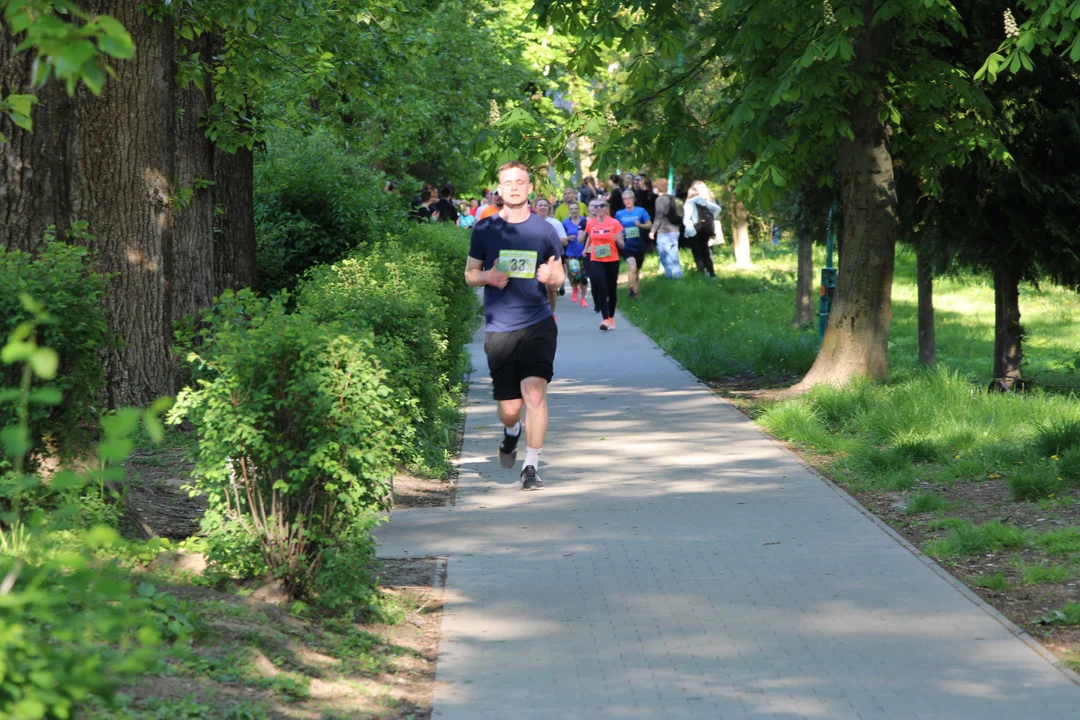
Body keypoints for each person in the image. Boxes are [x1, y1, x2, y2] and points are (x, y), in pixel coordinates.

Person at [465, 161, 564, 490]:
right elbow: (469, 274)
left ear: (530, 187)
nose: (515, 187)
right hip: (500, 327)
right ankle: (511, 432)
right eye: (508, 182)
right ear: (499, 188)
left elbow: (559, 274)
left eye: (520, 182)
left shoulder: (545, 230)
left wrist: (553, 279)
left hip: (537, 321)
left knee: (534, 395)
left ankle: (531, 467)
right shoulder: (485, 229)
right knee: (510, 409)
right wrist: (488, 277)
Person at [582, 199, 624, 331]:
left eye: (601, 206)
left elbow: (621, 243)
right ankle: (605, 319)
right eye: (595, 206)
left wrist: (619, 241)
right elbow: (590, 236)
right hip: (596, 259)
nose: (598, 208)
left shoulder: (614, 223)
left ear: (607, 208)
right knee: (601, 287)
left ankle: (611, 317)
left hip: (612, 259)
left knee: (611, 289)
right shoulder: (591, 223)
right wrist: (585, 248)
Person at [614, 189, 651, 298]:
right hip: (626, 245)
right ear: (623, 201)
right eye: (625, 199)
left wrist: (640, 225)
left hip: (639, 245)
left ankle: (635, 294)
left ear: (634, 199)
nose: (627, 201)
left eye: (629, 198)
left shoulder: (641, 211)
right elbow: (615, 228)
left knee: (637, 272)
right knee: (633, 267)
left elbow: (650, 225)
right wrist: (620, 235)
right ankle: (631, 288)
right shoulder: (619, 214)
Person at [684, 180, 723, 278]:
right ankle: (711, 274)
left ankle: (701, 274)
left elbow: (686, 219)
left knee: (698, 254)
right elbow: (718, 209)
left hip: (694, 230)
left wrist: (687, 225)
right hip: (705, 229)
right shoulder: (704, 201)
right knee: (706, 251)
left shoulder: (689, 203)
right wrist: (711, 217)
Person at [535, 198, 568, 302]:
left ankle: (551, 312)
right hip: (535, 257)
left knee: (551, 288)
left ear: (549, 208)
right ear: (535, 208)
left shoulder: (555, 223)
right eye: (540, 205)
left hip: (552, 257)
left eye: (545, 205)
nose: (543, 207)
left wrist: (550, 237)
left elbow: (564, 241)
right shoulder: (531, 222)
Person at [649, 178, 683, 279]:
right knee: (674, 256)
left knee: (664, 256)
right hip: (675, 231)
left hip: (664, 231)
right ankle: (678, 276)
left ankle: (669, 276)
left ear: (657, 188)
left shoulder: (659, 200)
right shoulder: (672, 198)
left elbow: (658, 217)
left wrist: (652, 231)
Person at [562, 199, 589, 306]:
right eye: (572, 209)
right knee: (575, 274)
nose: (574, 211)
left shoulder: (584, 221)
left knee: (584, 276)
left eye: (576, 209)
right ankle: (575, 288)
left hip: (584, 251)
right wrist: (568, 238)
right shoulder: (565, 223)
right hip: (571, 252)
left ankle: (583, 298)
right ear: (569, 210)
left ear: (579, 209)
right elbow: (562, 237)